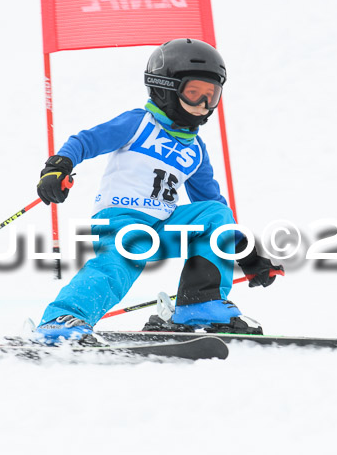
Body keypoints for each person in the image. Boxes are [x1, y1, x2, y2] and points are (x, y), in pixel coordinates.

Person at [34, 38, 283, 343]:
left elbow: (212, 202)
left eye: (211, 96)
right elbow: (86, 141)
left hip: (163, 226)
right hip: (122, 221)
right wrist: (58, 166)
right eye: (193, 93)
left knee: (216, 213)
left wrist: (246, 253)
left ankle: (199, 304)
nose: (204, 106)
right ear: (165, 88)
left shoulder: (196, 150)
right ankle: (61, 318)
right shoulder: (139, 124)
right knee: (118, 264)